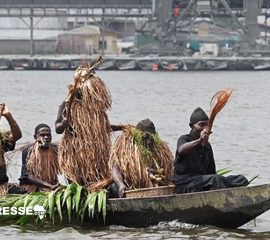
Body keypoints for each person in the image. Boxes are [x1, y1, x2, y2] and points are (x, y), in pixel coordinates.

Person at [55, 60, 120, 189]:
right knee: (77, 181)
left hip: (96, 151)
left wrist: (121, 127)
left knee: (96, 180)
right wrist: (64, 123)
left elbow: (102, 128)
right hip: (75, 150)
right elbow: (58, 129)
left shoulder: (96, 109)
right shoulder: (68, 105)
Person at [173, 107, 249, 194]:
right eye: (201, 125)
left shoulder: (207, 146)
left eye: (207, 125)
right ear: (191, 126)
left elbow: (212, 172)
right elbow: (181, 150)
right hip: (186, 182)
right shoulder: (184, 138)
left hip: (204, 181)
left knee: (241, 179)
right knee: (215, 179)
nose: (205, 128)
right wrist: (199, 141)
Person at [109, 119, 174, 198]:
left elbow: (164, 171)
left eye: (151, 138)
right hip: (130, 187)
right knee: (114, 187)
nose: (149, 141)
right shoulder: (127, 149)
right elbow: (115, 169)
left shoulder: (159, 152)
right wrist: (121, 185)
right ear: (138, 136)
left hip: (149, 189)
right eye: (146, 137)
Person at [19, 123, 61, 193]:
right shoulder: (28, 150)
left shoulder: (56, 150)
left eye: (48, 135)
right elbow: (26, 176)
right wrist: (49, 186)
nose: (46, 137)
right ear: (35, 137)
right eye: (42, 135)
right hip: (32, 189)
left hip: (53, 187)